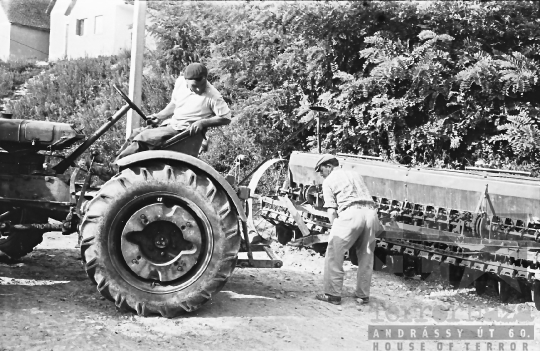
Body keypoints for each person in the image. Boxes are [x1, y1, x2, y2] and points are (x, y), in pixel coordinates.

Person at [116, 62, 231, 160]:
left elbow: (226, 117)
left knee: (143, 138)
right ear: (186, 80)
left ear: (206, 79)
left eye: (202, 85)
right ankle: (115, 163)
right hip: (172, 125)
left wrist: (202, 122)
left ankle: (117, 167)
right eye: (194, 86)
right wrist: (160, 116)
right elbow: (175, 103)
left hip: (183, 133)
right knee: (136, 133)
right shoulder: (180, 82)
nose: (198, 89)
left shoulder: (213, 96)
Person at [314, 154, 382, 306]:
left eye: (321, 170)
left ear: (329, 166)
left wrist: (336, 229)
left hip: (351, 214)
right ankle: (363, 295)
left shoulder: (329, 181)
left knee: (334, 253)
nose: (321, 174)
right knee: (366, 255)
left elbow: (332, 211)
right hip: (371, 214)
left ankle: (332, 294)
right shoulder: (355, 174)